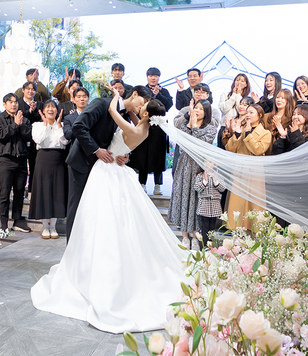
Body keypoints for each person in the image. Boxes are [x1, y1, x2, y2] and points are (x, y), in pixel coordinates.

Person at [31, 90, 184, 333]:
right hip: (95, 164)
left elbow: (116, 118)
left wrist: (115, 98)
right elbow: (83, 127)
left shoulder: (121, 112)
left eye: (145, 105)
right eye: (142, 101)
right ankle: (76, 258)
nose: (141, 106)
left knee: (100, 217)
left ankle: (86, 261)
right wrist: (111, 150)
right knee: (84, 213)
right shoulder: (132, 120)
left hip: (107, 169)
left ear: (147, 114)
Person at [65, 84, 152, 239]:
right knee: (77, 208)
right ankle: (72, 248)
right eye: (144, 101)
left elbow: (117, 140)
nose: (144, 106)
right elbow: (78, 126)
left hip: (102, 168)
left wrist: (124, 154)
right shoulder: (102, 103)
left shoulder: (125, 115)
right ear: (134, 94)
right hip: (82, 162)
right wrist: (96, 150)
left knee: (93, 210)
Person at [170, 99, 218, 248]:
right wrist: (190, 123)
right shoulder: (185, 125)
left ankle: (196, 235)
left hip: (199, 167)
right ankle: (185, 236)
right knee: (184, 197)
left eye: (201, 109)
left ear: (206, 112)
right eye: (196, 107)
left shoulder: (211, 129)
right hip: (184, 166)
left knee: (197, 201)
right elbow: (183, 144)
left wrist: (195, 125)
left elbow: (199, 145)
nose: (197, 110)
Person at [224, 103, 272, 231]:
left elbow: (258, 150)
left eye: (251, 112)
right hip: (240, 170)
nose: (248, 115)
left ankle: (255, 235)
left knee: (255, 205)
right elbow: (230, 149)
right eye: (247, 112)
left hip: (255, 172)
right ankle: (237, 235)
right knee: (237, 205)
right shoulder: (241, 129)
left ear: (260, 115)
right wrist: (237, 134)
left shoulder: (265, 133)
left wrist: (249, 134)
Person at [0, 93, 32, 233]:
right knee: (5, 193)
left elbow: (29, 136)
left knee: (19, 192)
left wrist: (20, 125)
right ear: (4, 104)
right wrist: (15, 125)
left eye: (15, 102)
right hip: (5, 159)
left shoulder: (24, 120)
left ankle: (17, 221)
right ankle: (3, 224)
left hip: (21, 159)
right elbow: (1, 136)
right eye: (10, 102)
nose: (13, 104)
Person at [129, 67, 172, 195]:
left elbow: (168, 106)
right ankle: (142, 183)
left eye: (155, 76)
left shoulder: (163, 90)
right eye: (151, 75)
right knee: (142, 154)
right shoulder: (142, 90)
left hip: (159, 128)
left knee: (158, 155)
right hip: (144, 124)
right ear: (147, 76)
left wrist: (159, 95)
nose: (153, 78)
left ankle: (158, 185)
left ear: (159, 77)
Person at [29, 100, 67, 239]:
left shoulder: (62, 125)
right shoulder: (37, 125)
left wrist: (58, 126)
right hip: (43, 159)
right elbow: (38, 140)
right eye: (47, 107)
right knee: (43, 191)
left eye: (53, 107)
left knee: (57, 192)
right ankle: (45, 227)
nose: (51, 109)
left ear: (57, 110)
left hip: (58, 159)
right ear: (43, 111)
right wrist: (45, 125)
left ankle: (53, 227)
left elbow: (64, 141)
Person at [193, 164, 225, 244]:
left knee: (212, 226)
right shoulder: (200, 175)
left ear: (215, 165)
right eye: (206, 162)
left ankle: (210, 244)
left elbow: (223, 189)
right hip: (204, 203)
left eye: (210, 162)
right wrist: (204, 182)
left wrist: (216, 181)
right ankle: (205, 245)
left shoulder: (218, 176)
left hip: (214, 204)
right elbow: (196, 188)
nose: (207, 164)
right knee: (205, 226)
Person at [62, 87, 90, 154]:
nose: (82, 99)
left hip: (93, 153)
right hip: (76, 153)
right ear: (74, 100)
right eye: (79, 97)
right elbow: (68, 135)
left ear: (88, 99)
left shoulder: (95, 116)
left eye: (84, 96)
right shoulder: (68, 118)